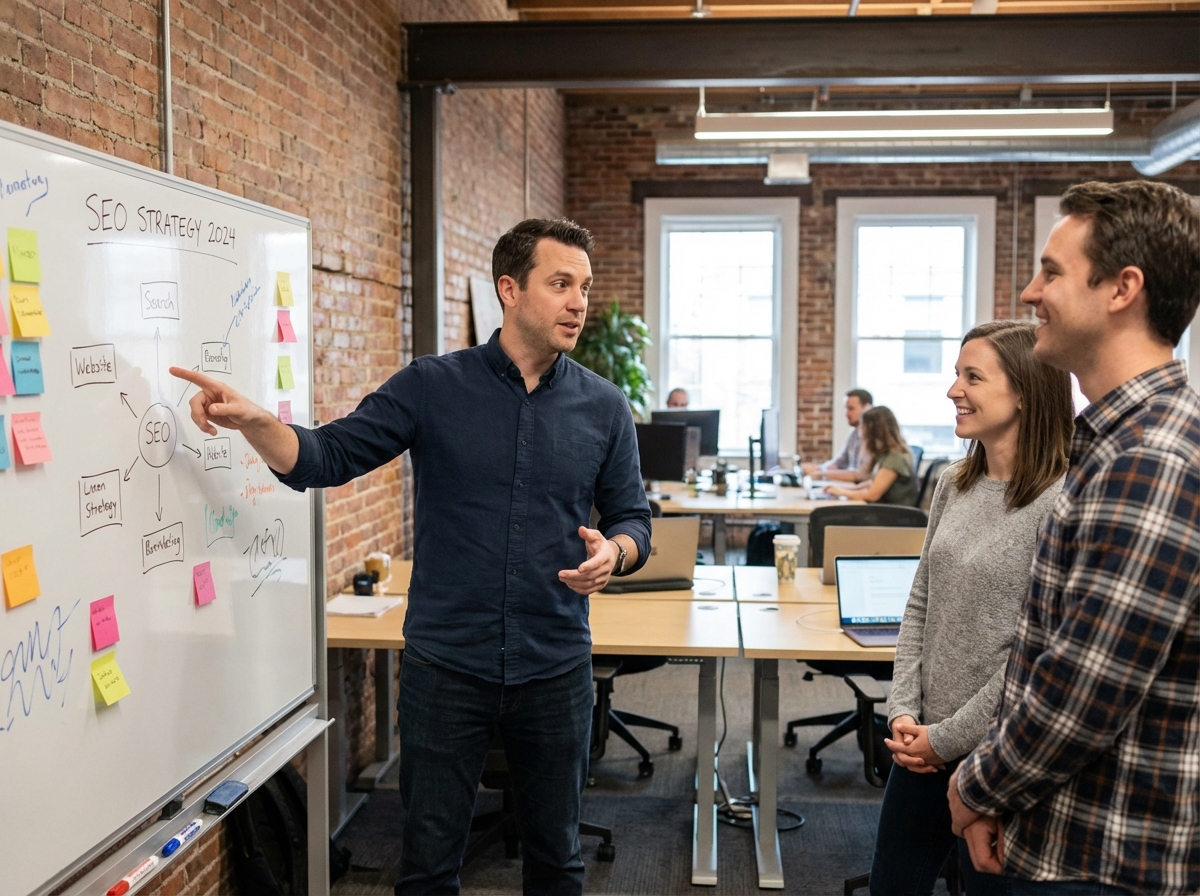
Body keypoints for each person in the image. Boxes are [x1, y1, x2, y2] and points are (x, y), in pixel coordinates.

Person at [171, 218, 653, 895]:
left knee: (557, 863)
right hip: (446, 668)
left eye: (585, 287)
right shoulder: (433, 385)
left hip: (555, 667)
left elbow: (634, 517)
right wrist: (258, 422)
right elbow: (327, 455)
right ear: (510, 289)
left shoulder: (604, 406)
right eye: (561, 284)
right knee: (427, 867)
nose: (579, 303)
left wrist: (617, 552)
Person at [948, 181, 1200, 895]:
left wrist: (975, 787)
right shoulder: (1117, 443)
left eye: (1052, 272)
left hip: (1103, 859)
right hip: (1063, 828)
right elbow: (1051, 650)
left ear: (1123, 289)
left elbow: (1086, 690)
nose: (1031, 293)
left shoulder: (1150, 458)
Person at [869, 320, 1073, 896]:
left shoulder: (1061, 501)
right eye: (956, 374)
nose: (953, 390)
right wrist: (903, 710)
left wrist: (947, 738)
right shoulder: (954, 482)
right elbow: (921, 603)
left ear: (1025, 392)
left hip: (997, 753)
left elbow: (1037, 653)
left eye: (973, 377)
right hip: (918, 744)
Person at [825, 405, 917, 505]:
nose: (860, 434)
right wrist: (843, 489)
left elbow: (872, 495)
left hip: (892, 512)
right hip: (886, 509)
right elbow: (872, 483)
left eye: (863, 428)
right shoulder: (886, 454)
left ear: (874, 432)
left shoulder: (895, 458)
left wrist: (842, 492)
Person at [803, 388, 874, 483]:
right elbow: (840, 462)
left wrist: (823, 474)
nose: (847, 414)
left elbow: (862, 474)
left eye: (851, 409)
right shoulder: (854, 434)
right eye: (846, 408)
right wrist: (819, 468)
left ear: (867, 408)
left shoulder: (875, 437)